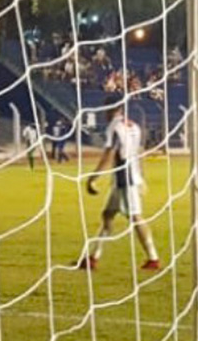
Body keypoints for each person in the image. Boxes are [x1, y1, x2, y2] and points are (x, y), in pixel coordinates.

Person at [79, 98, 160, 271]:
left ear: (109, 110)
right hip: (126, 179)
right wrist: (142, 177)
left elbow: (110, 153)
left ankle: (153, 258)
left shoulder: (114, 127)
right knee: (108, 215)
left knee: (136, 217)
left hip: (125, 180)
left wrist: (93, 177)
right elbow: (139, 152)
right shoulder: (134, 126)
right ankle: (93, 258)